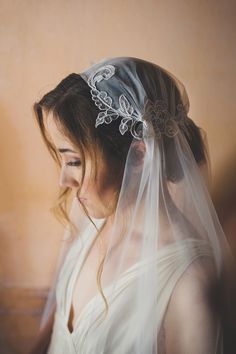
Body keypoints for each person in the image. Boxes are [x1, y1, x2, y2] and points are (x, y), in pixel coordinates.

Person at [29, 56, 231, 354]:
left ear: (140, 156)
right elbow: (57, 328)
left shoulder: (189, 285)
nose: (63, 181)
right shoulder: (89, 227)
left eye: (74, 161)